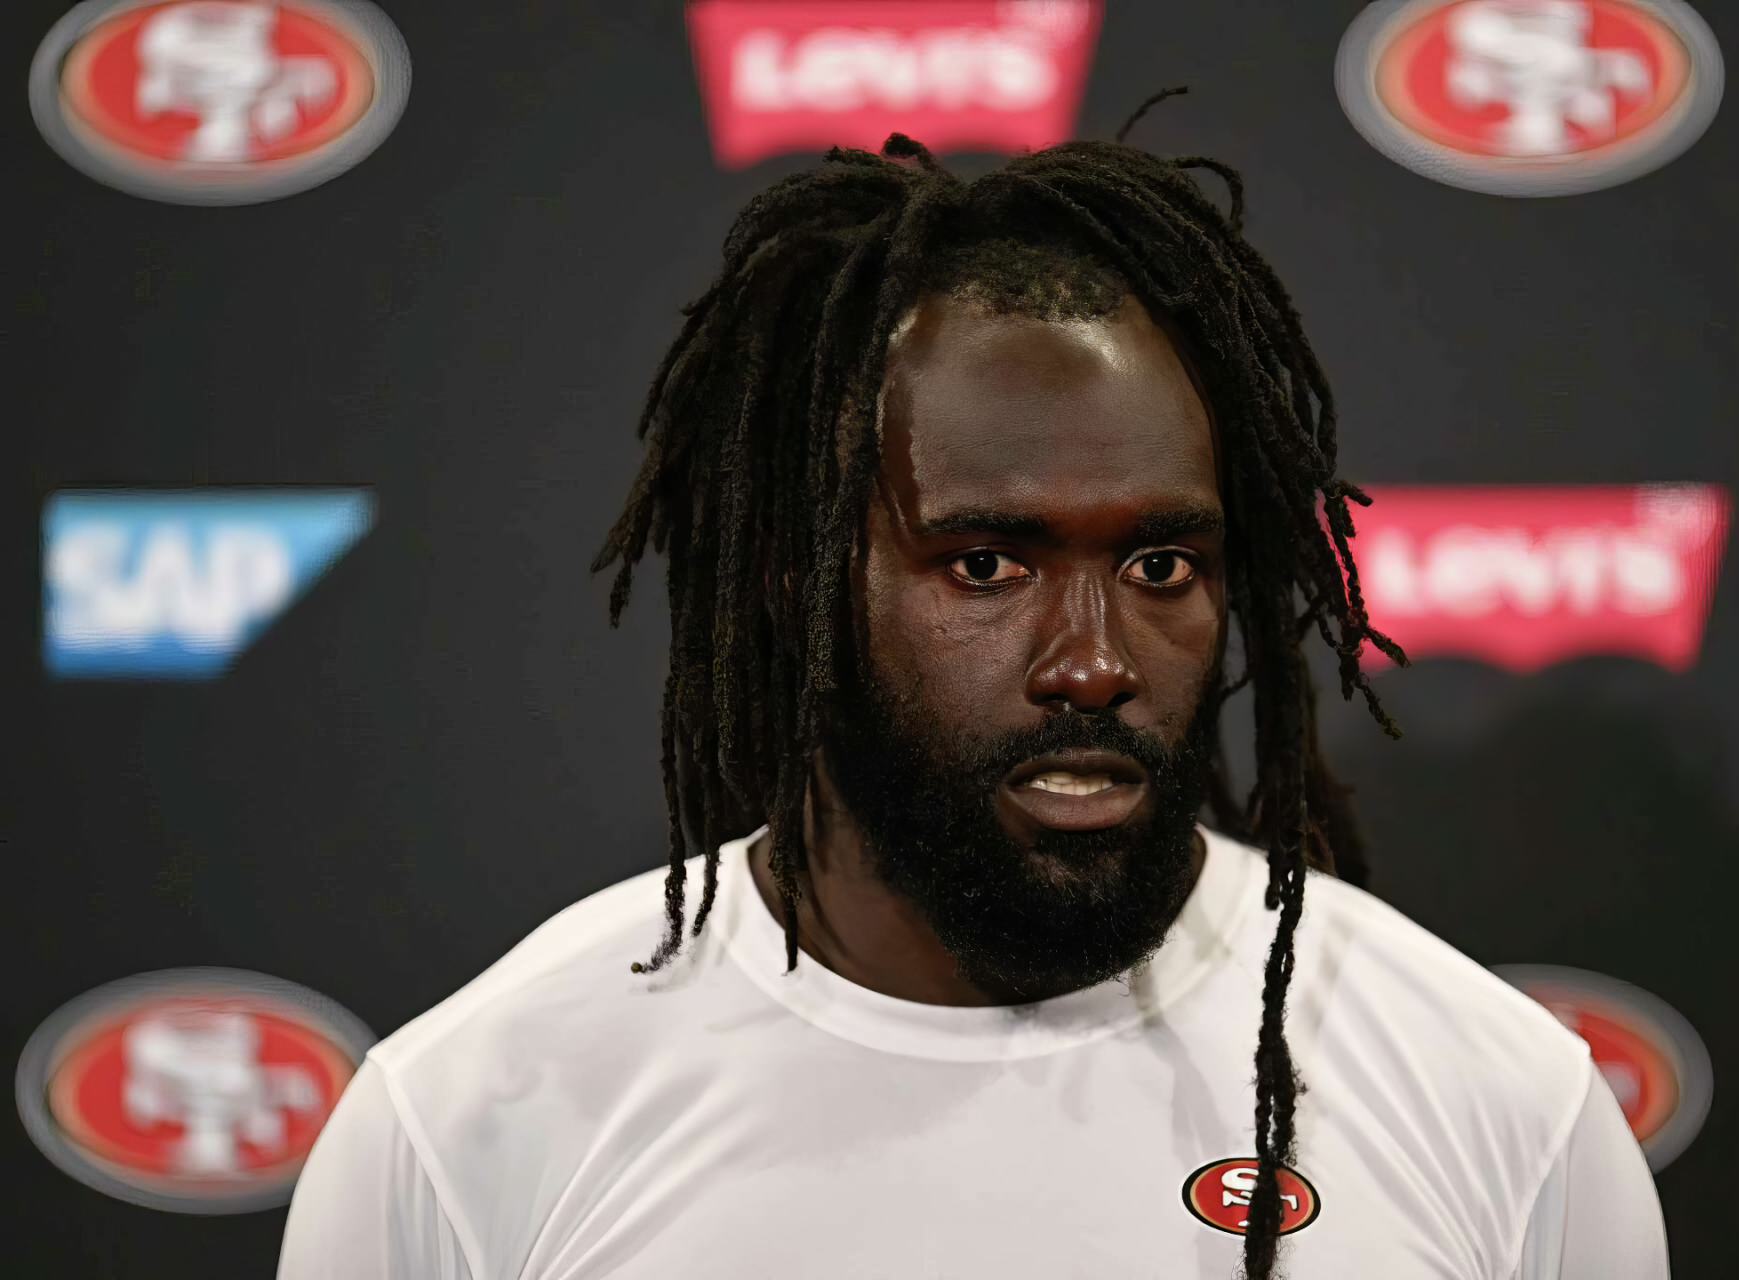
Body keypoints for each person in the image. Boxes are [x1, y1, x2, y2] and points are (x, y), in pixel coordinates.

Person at [278, 113, 1667, 1279]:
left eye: (1161, 564)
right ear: (799, 584)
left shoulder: (1499, 1102)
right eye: (987, 565)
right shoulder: (468, 1124)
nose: (1094, 663)